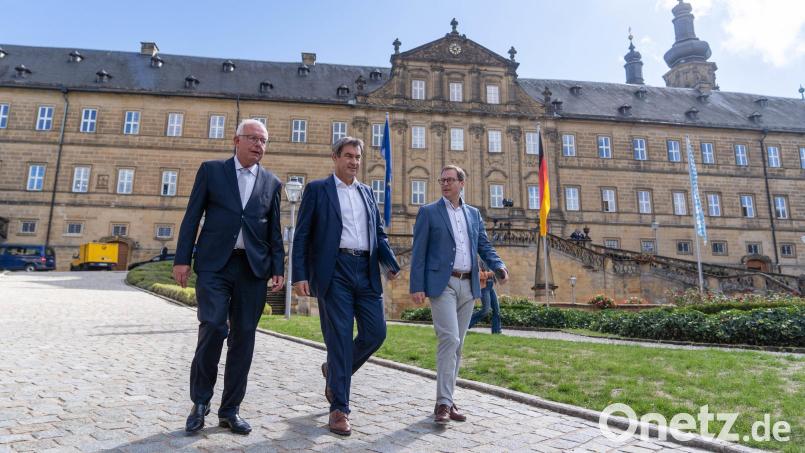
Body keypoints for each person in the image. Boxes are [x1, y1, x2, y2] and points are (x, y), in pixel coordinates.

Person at [173, 119, 285, 435]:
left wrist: (279, 267)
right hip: (214, 265)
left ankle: (230, 410)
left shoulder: (272, 182)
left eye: (264, 141)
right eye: (253, 138)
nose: (259, 145)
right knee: (212, 326)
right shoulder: (211, 171)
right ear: (236, 140)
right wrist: (182, 259)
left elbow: (274, 230)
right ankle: (200, 402)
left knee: (243, 338)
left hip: (252, 269)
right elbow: (192, 215)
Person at [292, 136, 400, 436]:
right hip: (334, 269)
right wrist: (299, 275)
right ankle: (340, 408)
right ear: (335, 158)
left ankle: (334, 371)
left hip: (365, 269)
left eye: (357, 157)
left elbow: (379, 234)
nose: (354, 161)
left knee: (376, 333)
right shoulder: (317, 190)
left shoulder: (367, 192)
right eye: (349, 156)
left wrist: (389, 263)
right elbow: (301, 235)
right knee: (339, 338)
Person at [409, 165, 508, 425]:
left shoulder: (473, 214)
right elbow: (418, 251)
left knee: (458, 345)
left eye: (450, 180)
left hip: (468, 284)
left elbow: (483, 244)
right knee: (449, 339)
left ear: (462, 183)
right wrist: (416, 285)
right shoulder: (429, 212)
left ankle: (449, 399)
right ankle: (442, 403)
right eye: (442, 180)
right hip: (443, 284)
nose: (445, 184)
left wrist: (498, 265)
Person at [467, 262, 501, 334]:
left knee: (496, 310)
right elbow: (477, 275)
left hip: (491, 286)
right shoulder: (478, 260)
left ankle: (497, 332)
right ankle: (465, 324)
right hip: (484, 287)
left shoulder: (491, 260)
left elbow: (496, 272)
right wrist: (489, 274)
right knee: (485, 310)